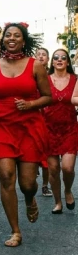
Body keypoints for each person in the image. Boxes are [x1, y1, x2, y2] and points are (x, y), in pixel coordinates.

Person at [0, 23, 51, 247]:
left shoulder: (36, 66)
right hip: (1, 125)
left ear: (24, 40)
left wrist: (30, 104)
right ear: (3, 41)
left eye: (16, 35)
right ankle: (15, 231)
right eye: (8, 35)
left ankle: (30, 199)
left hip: (29, 126)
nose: (12, 38)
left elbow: (48, 97)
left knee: (27, 183)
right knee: (7, 176)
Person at [46, 49, 77, 214]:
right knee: (53, 169)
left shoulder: (75, 79)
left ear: (67, 62)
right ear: (52, 62)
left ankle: (68, 190)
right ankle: (57, 201)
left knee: (67, 168)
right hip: (48, 129)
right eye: (56, 57)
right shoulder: (44, 80)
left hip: (70, 129)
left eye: (63, 58)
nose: (59, 60)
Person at [36, 47, 52, 197]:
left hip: (50, 118)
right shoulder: (30, 74)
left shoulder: (52, 75)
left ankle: (45, 185)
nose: (41, 57)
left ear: (48, 59)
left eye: (44, 55)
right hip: (34, 116)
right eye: (38, 54)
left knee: (47, 154)